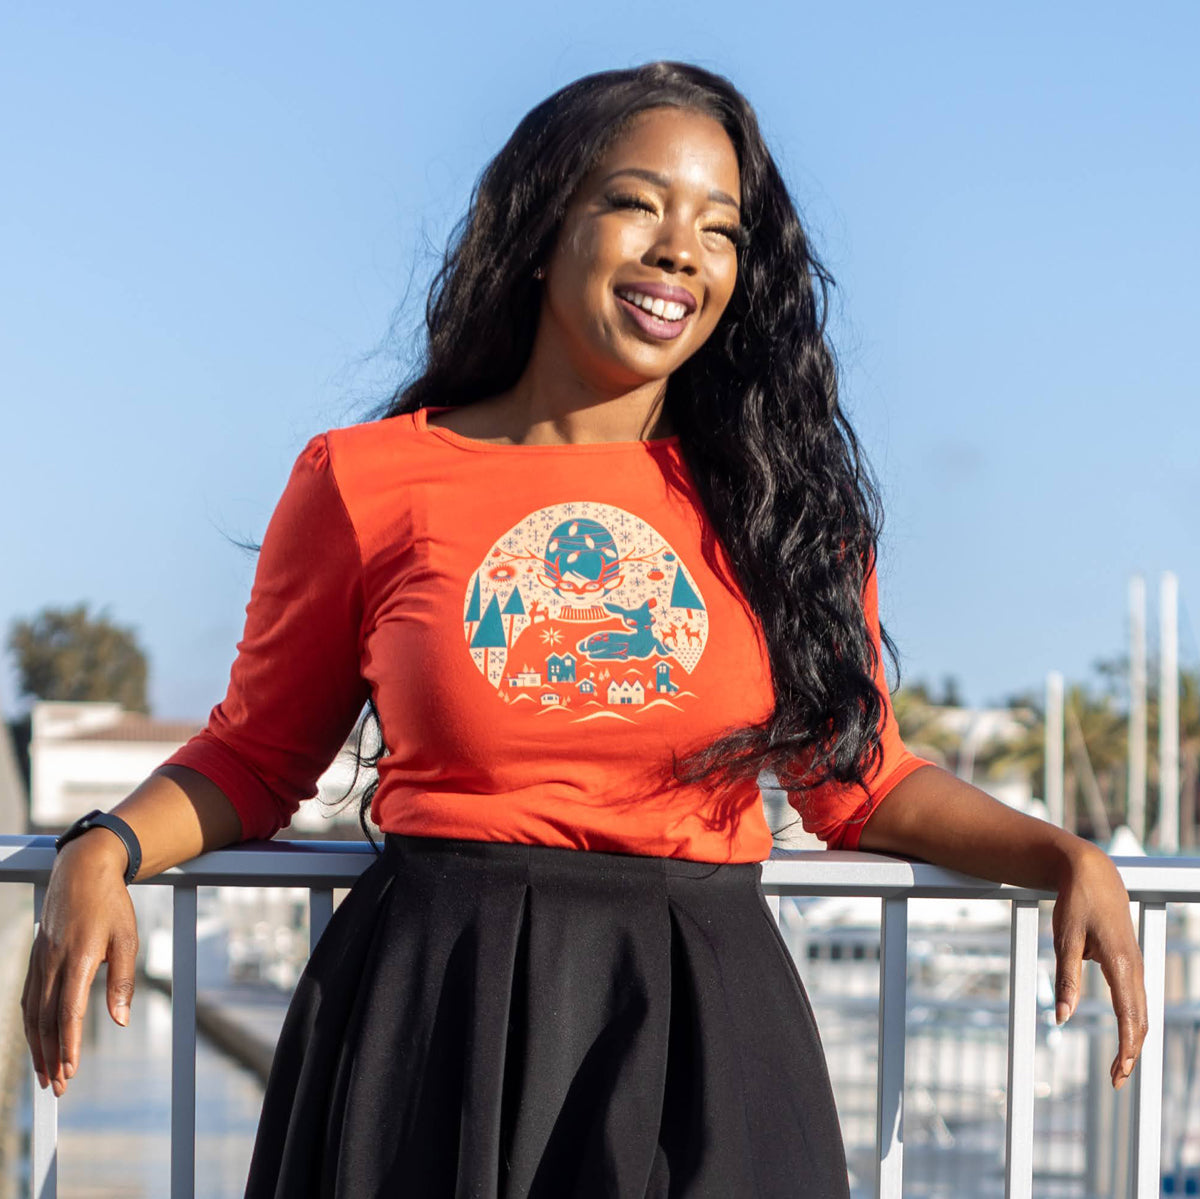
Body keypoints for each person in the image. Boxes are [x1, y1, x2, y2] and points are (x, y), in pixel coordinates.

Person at [23, 61, 1147, 1198]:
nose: (681, 249)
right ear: (542, 225)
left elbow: (856, 785)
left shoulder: (780, 507)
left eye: (720, 228)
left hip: (699, 1023)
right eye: (636, 203)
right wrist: (104, 846)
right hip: (434, 1022)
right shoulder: (370, 479)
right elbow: (258, 755)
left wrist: (1063, 853)